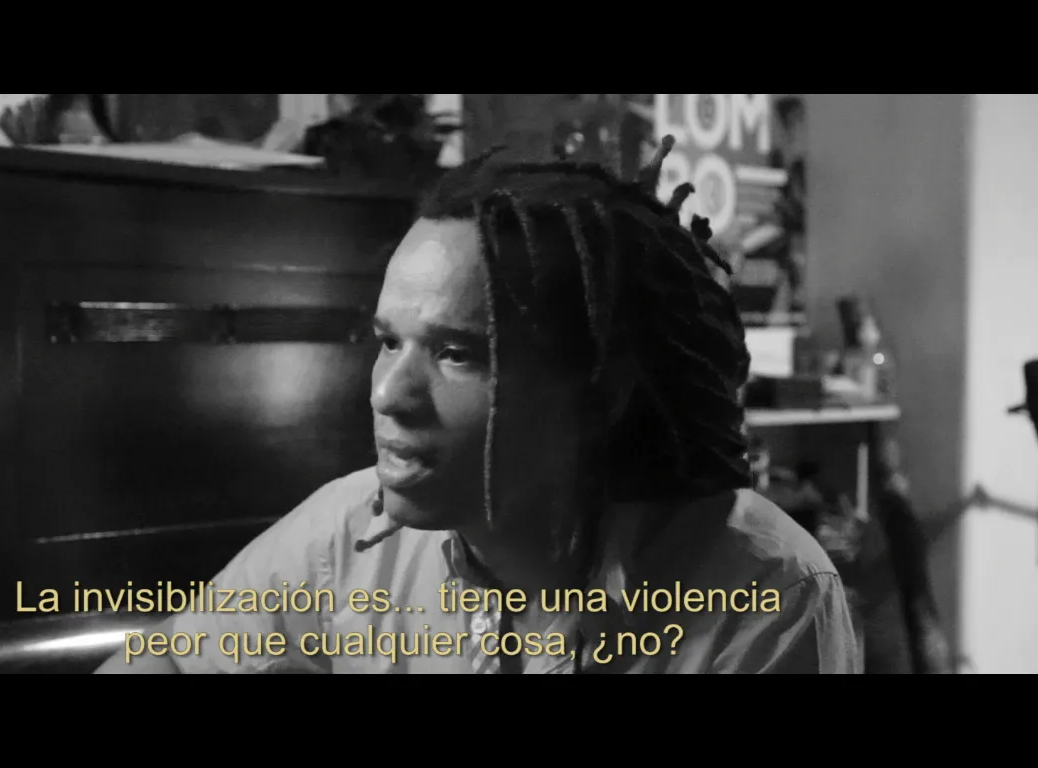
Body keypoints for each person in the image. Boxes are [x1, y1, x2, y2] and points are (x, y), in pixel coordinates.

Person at [96, 137, 860, 674]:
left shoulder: (768, 597)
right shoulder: (348, 534)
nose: (388, 393)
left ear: (599, 392)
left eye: (457, 353)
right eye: (387, 341)